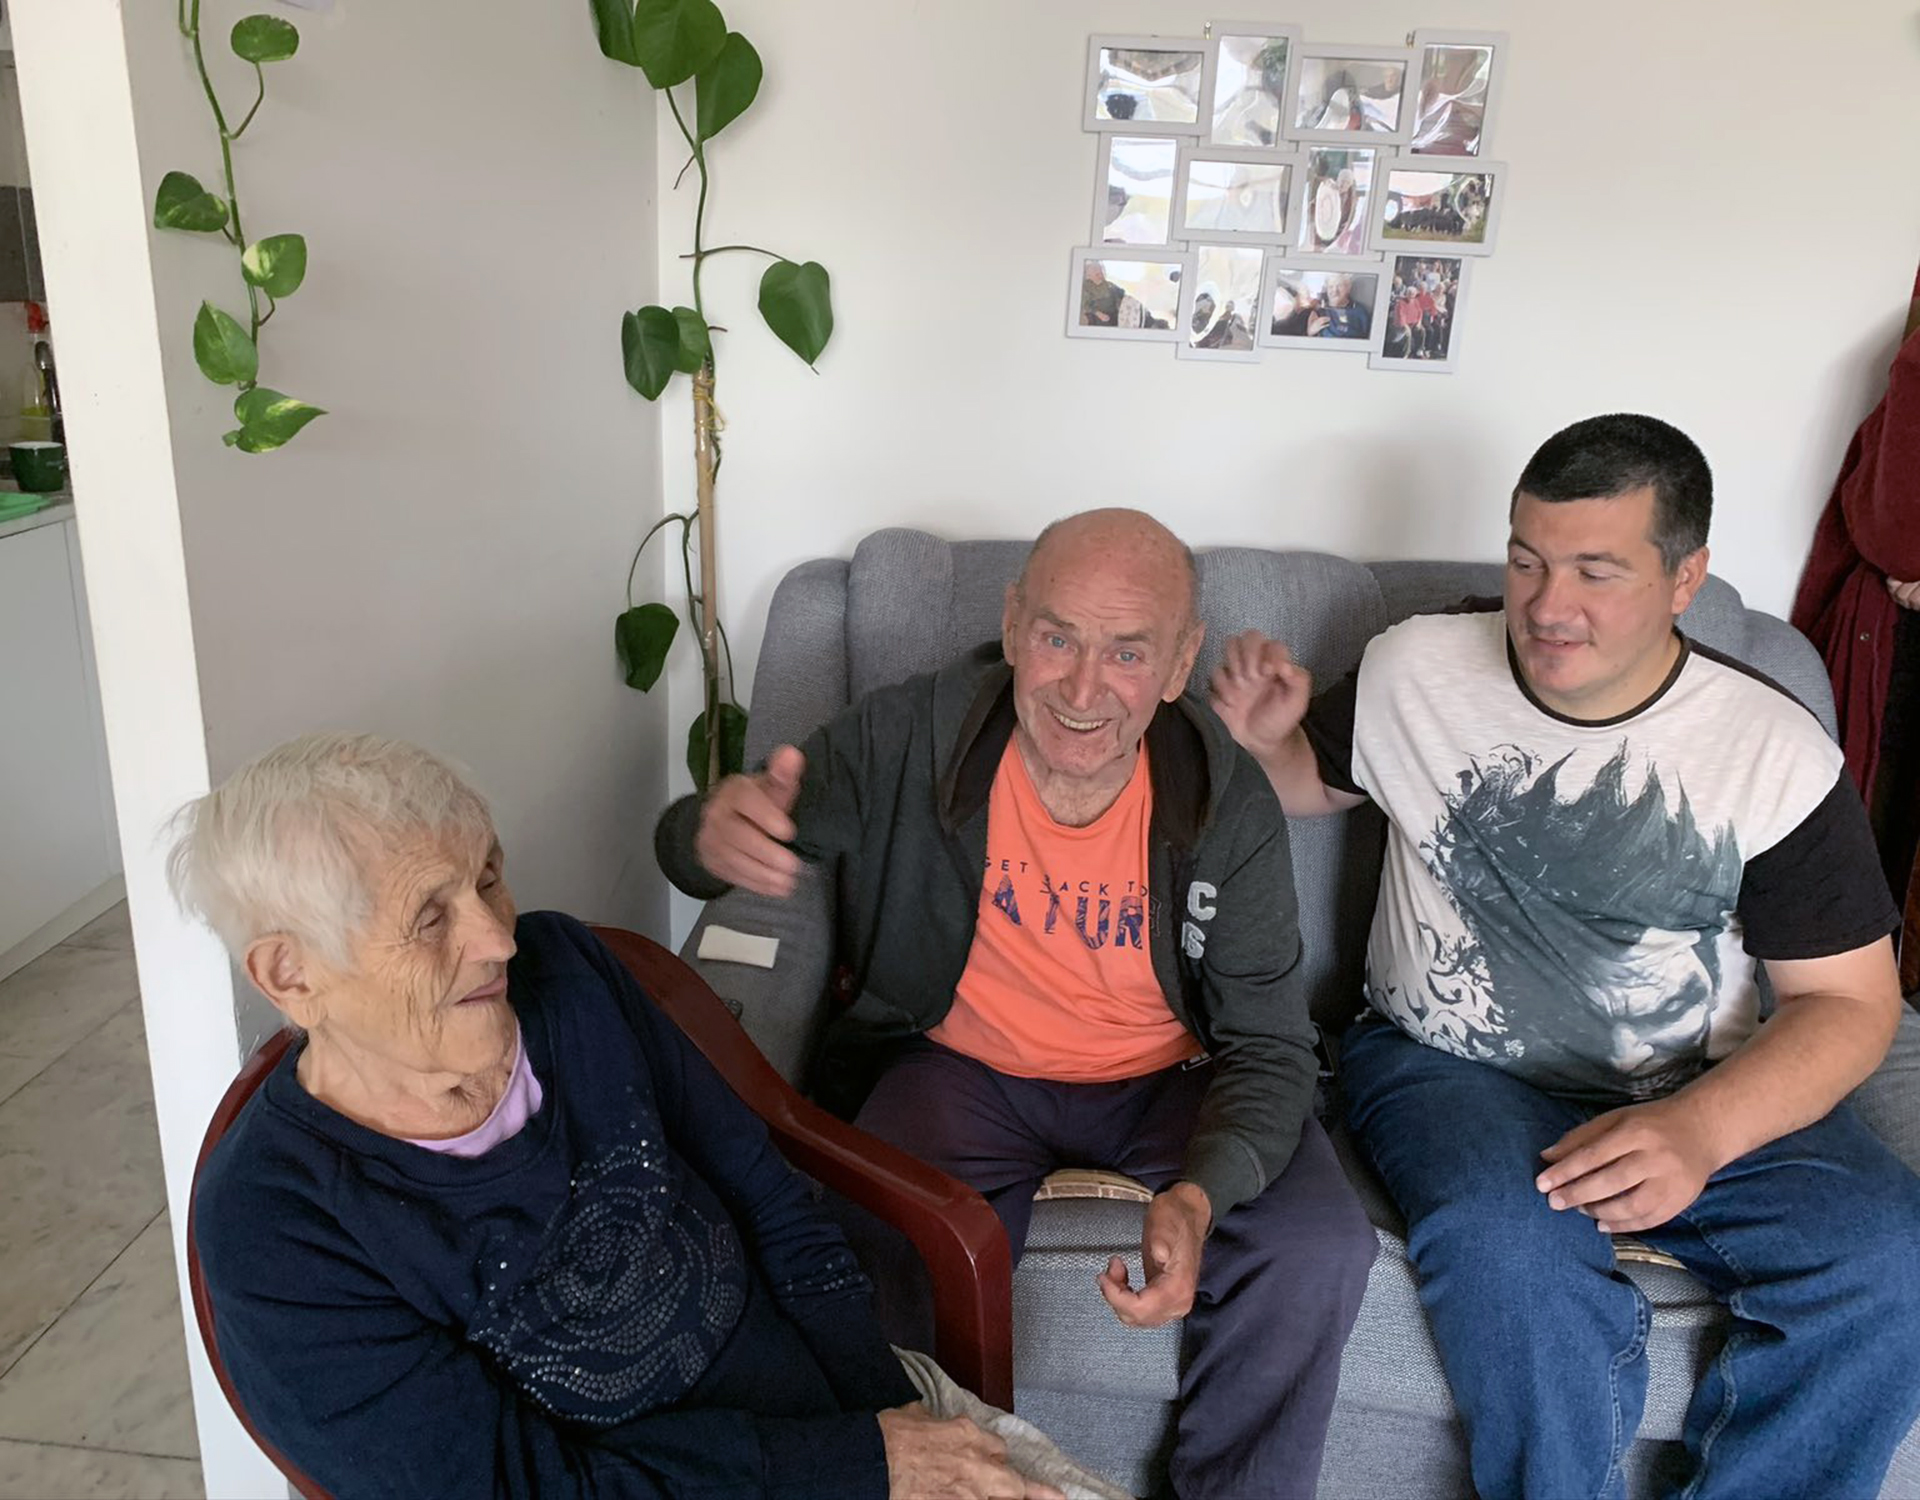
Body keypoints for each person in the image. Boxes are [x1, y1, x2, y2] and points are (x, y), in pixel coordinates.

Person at [1209, 414, 1920, 1500]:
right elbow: (1320, 783)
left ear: (1685, 579)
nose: (1547, 606)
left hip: (1697, 1086)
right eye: (1527, 561)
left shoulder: (1772, 751)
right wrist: (1271, 744)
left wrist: (1700, 1130)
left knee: (1892, 1268)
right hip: (1448, 1067)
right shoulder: (1415, 666)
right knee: (1507, 1251)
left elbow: (1852, 1003)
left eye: (1596, 571)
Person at [181, 733, 1123, 1500]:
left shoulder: (568, 974)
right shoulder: (277, 1224)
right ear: (290, 974)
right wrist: (859, 1468)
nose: (499, 938)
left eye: (489, 876)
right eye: (431, 918)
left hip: (856, 1419)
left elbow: (767, 1197)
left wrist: (890, 1428)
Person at [656, 509, 1377, 1500]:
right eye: (1057, 639)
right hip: (958, 1069)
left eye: (1128, 653)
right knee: (876, 1235)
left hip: (1172, 1078)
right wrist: (706, 831)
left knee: (1317, 1243)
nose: (1082, 691)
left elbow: (1269, 1040)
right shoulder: (908, 736)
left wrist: (1202, 1191)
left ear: (1179, 665)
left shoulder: (1225, 795)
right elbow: (724, 831)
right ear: (1010, 626)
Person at [1080, 262, 1126, 328]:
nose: (1100, 275)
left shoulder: (1108, 284)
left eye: (1100, 272)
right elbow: (1085, 305)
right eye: (1097, 274)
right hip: (1097, 316)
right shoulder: (1086, 287)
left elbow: (1121, 293)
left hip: (1114, 314)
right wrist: (1099, 314)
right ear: (1088, 276)